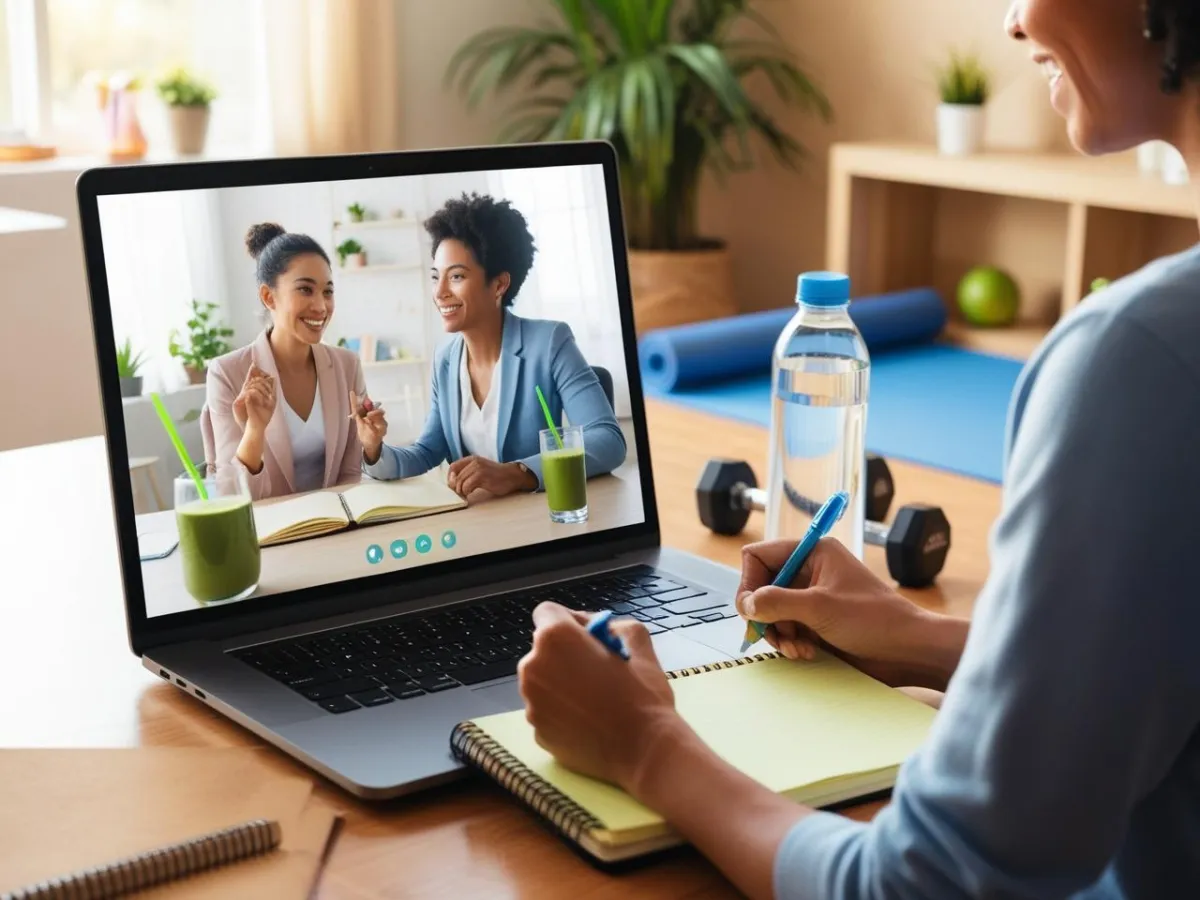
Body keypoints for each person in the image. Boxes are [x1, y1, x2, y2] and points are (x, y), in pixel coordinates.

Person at [515, 2, 1200, 897]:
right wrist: (921, 638)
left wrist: (646, 744)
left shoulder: (1142, 362)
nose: (1013, 21)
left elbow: (923, 886)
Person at [356, 193, 626, 499]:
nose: (440, 292)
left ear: (499, 284)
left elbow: (608, 440)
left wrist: (517, 473)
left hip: (538, 516)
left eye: (456, 276)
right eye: (436, 277)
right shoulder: (445, 360)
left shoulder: (549, 343)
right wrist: (373, 448)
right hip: (481, 521)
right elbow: (425, 452)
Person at [206, 223, 369, 501]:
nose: (321, 306)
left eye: (327, 292)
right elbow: (230, 495)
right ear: (269, 297)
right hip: (271, 534)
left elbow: (352, 471)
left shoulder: (347, 365)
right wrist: (255, 430)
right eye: (306, 290)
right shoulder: (227, 373)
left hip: (339, 524)